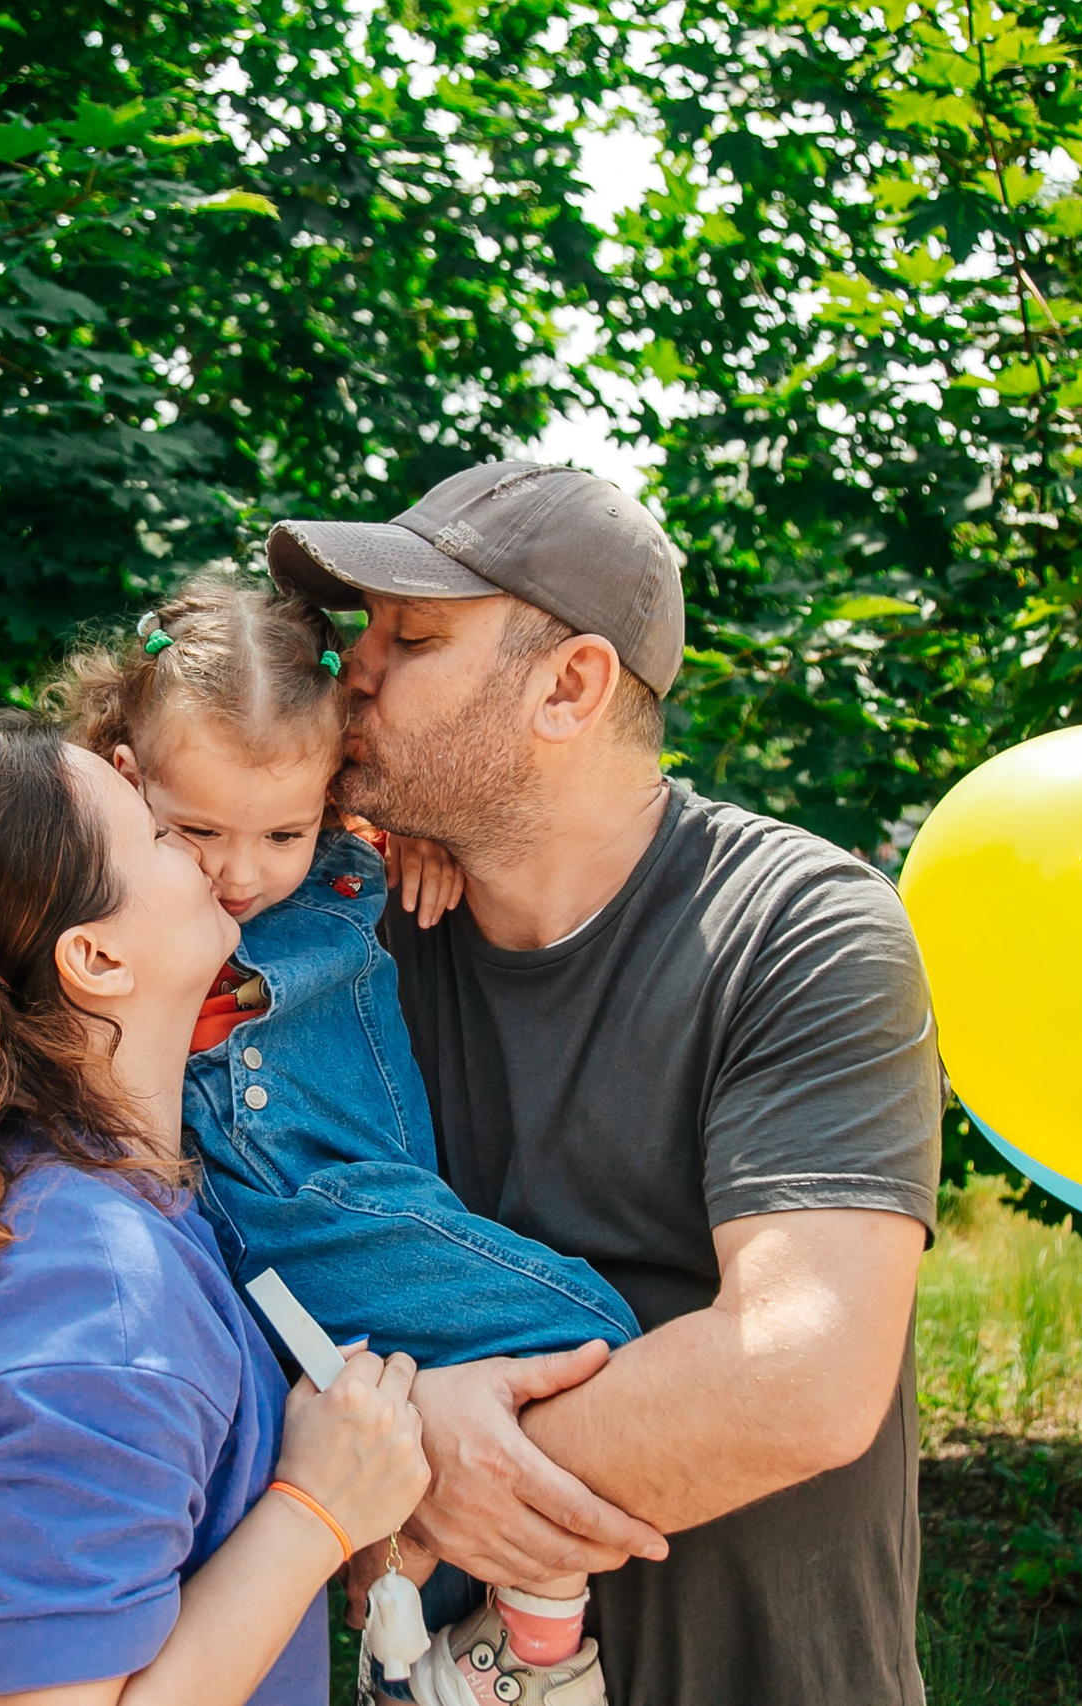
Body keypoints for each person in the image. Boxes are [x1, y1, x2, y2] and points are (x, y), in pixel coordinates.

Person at [267, 460, 944, 1704]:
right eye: (363, 629)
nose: (353, 668)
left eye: (412, 635)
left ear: (569, 685)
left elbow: (799, 1372)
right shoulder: (340, 938)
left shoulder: (795, 931)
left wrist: (414, 1482)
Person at [43, 577, 660, 1703]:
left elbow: (449, 821)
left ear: (330, 799)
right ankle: (531, 1646)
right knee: (582, 1329)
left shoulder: (354, 866)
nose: (239, 871)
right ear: (129, 782)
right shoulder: (100, 901)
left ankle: (431, 1654)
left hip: (358, 1203)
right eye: (197, 832)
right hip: (252, 1219)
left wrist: (414, 837)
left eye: (282, 830)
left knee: (480, 1379)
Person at [0, 709, 429, 1706]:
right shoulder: (91, 1300)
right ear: (95, 959)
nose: (202, 840)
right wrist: (317, 1509)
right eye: (160, 831)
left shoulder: (47, 1192)